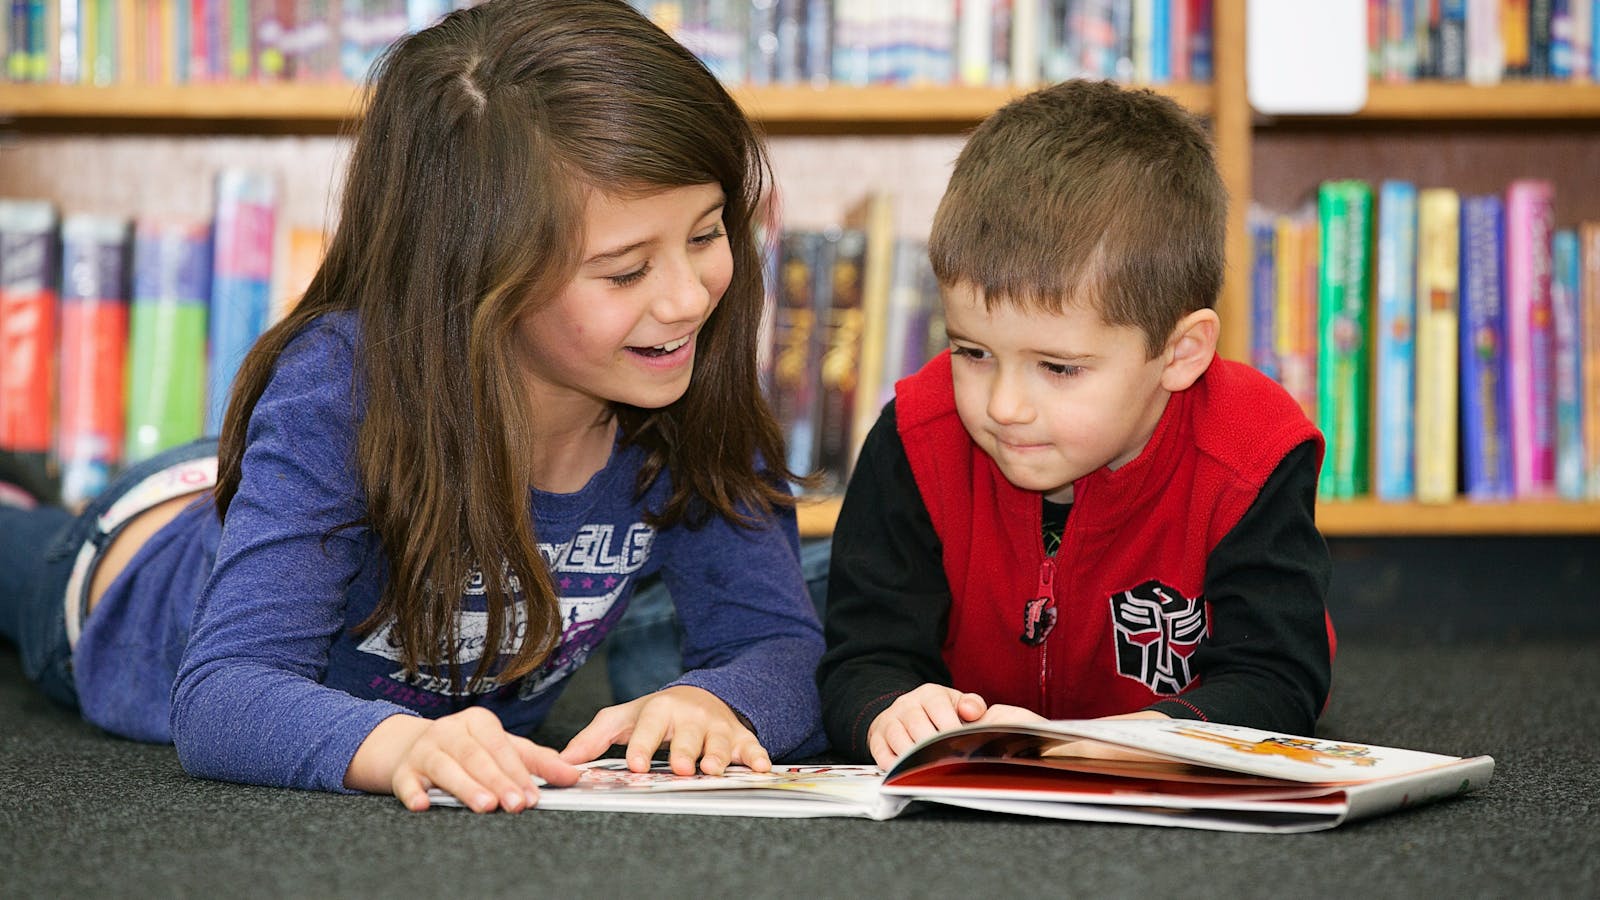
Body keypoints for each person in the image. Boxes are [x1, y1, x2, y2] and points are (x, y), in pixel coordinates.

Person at [0, 0, 826, 813]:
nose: (687, 300)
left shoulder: (682, 375)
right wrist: (401, 742)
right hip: (126, 575)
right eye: (623, 271)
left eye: (708, 233)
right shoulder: (340, 383)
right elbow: (223, 694)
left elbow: (778, 645)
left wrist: (721, 700)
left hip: (268, 477)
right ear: (476, 273)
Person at [817, 79, 1335, 769]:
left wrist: (1117, 746)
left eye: (1058, 368)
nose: (1004, 406)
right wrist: (890, 707)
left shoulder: (1251, 453)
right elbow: (862, 656)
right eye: (971, 351)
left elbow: (1275, 680)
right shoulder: (919, 434)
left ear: (1179, 354)